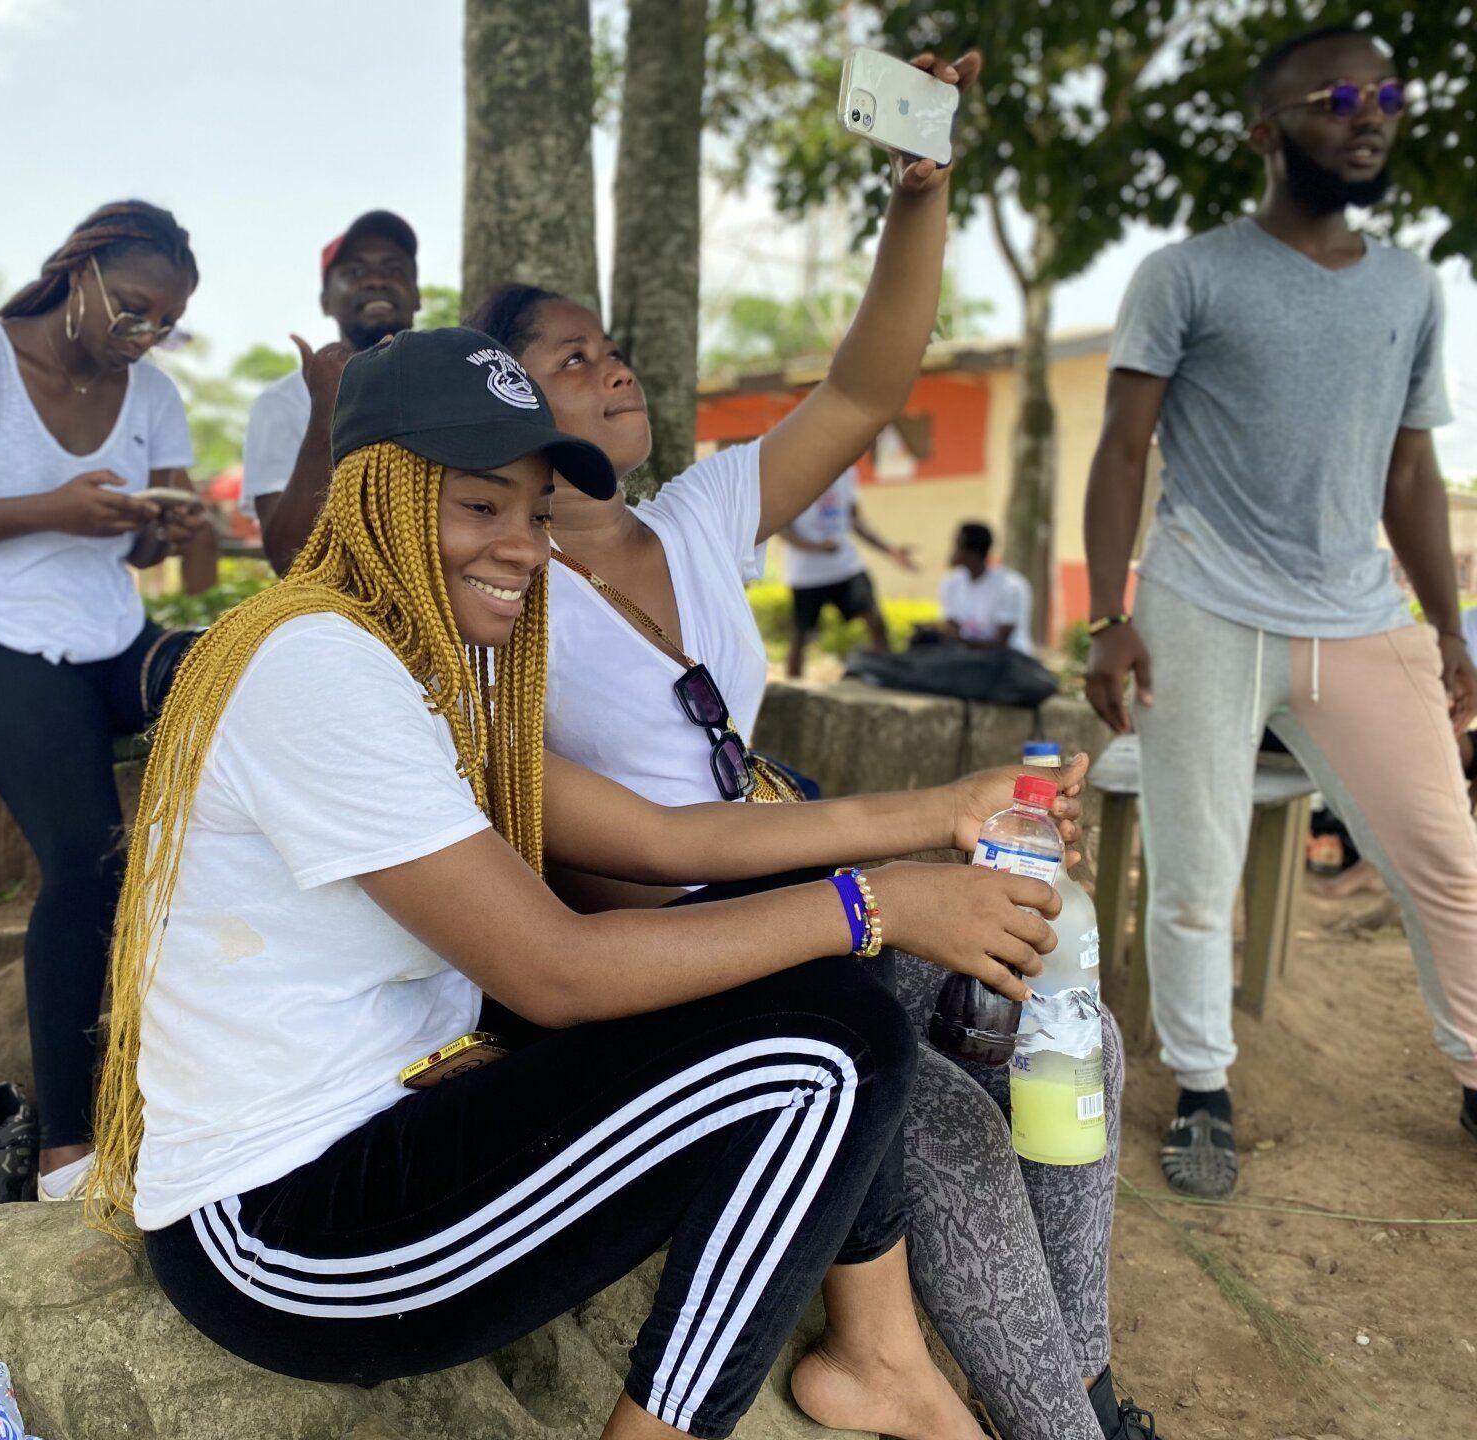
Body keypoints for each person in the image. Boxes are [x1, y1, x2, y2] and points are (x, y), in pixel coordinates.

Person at [90, 325, 1072, 1440]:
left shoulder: (416, 670)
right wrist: (875, 902)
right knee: (830, 1051)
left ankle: (879, 1359)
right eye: (480, 506)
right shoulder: (318, 665)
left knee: (794, 969)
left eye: (539, 513)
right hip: (287, 1232)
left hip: (399, 1111)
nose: (524, 546)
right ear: (381, 499)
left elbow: (669, 839)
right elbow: (555, 972)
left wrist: (944, 815)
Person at [465, 52, 1158, 1440]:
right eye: (570, 355)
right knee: (945, 1127)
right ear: (497, 402)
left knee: (1054, 1011)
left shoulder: (702, 513)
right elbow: (609, 859)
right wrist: (909, 843)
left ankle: (1076, 1379)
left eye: (615, 345)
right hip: (680, 942)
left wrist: (920, 198)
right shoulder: (490, 582)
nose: (614, 365)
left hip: (792, 870)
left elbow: (863, 385)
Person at [1084, 22, 1477, 1198]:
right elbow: (1122, 449)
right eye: (1336, 97)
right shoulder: (1188, 275)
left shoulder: (1410, 287)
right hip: (1205, 605)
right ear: (1267, 132)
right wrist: (1113, 612)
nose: (1368, 115)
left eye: (1385, 96)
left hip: (1359, 615)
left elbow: (1410, 472)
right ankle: (1203, 1088)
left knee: (1447, 860)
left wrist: (1449, 631)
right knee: (1195, 870)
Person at [0, 200, 213, 1201]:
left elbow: (161, 543)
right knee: (88, 857)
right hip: (6, 656)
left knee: (235, 666)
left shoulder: (149, 390)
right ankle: (72, 1144)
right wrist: (57, 509)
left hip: (114, 646)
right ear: (84, 272)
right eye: (136, 308)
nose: (145, 334)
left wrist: (159, 525)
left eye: (166, 321)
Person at [244, 209, 420, 572]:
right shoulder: (282, 404)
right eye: (354, 271)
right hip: (336, 617)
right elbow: (287, 560)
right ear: (325, 301)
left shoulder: (455, 384)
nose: (375, 280)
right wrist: (327, 408)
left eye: (394, 269)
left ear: (416, 294)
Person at [778, 460, 916, 674]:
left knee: (875, 621)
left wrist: (889, 550)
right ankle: (791, 694)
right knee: (801, 636)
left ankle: (886, 675)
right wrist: (815, 547)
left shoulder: (847, 473)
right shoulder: (792, 474)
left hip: (846, 567)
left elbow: (855, 521)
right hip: (807, 574)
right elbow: (780, 526)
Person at [939, 522, 1033, 653]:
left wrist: (958, 640)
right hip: (971, 659)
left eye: (957, 546)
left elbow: (1001, 643)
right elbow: (952, 627)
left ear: (972, 554)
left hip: (1009, 663)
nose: (953, 551)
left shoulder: (1010, 586)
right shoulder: (951, 583)